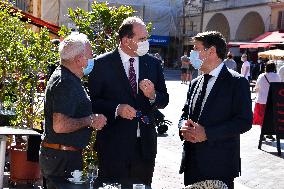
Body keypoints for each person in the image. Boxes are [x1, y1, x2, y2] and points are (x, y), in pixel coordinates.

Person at [88, 16, 169, 187]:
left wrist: (153, 95)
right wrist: (117, 108)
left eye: (146, 38)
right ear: (126, 40)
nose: (146, 42)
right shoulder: (101, 64)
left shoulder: (153, 64)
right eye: (142, 39)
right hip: (113, 146)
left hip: (144, 147)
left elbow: (164, 99)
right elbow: (93, 102)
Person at [179, 31, 252, 189]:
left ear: (211, 51)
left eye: (196, 48)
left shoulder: (236, 82)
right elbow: (185, 113)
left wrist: (207, 133)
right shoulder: (195, 82)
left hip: (219, 166)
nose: (192, 53)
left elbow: (244, 122)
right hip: (191, 165)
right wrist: (182, 127)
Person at [39, 33, 107, 189]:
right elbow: (60, 125)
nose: (92, 59)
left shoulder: (68, 77)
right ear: (79, 59)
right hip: (62, 158)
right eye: (90, 55)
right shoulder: (66, 82)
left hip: (62, 156)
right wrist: (90, 120)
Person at [253, 62, 280, 140]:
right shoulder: (277, 76)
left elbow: (256, 89)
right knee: (271, 118)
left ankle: (263, 133)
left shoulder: (261, 76)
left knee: (262, 118)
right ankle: (270, 133)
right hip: (273, 101)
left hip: (261, 100)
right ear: (274, 68)